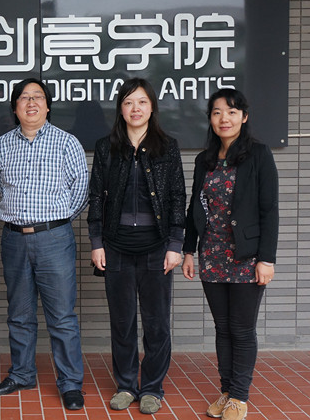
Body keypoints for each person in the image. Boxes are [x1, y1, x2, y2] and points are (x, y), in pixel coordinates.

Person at [87, 78, 185, 414]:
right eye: (128, 102)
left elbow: (177, 196)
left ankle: (152, 388)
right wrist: (97, 242)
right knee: (122, 322)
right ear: (120, 108)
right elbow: (96, 196)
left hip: (156, 247)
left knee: (156, 324)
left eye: (142, 102)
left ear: (152, 106)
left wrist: (175, 243)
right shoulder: (107, 147)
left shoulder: (167, 146)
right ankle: (127, 385)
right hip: (115, 246)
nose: (135, 108)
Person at [0, 77, 89, 410]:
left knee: (61, 316)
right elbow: (1, 185)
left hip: (54, 238)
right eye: (24, 97)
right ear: (15, 107)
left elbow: (81, 190)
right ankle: (21, 374)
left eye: (37, 97)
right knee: (19, 314)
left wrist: (53, 221)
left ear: (47, 106)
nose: (31, 102)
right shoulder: (2, 144)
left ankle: (70, 383)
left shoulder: (67, 142)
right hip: (14, 238)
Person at [181, 88, 278, 420]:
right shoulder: (204, 159)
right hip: (211, 254)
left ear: (244, 117)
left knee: (242, 328)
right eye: (217, 112)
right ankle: (226, 391)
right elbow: (195, 207)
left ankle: (239, 397)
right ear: (210, 118)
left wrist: (266, 259)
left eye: (232, 112)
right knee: (222, 328)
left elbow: (269, 210)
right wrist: (189, 250)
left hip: (246, 256)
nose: (225, 118)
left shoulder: (259, 154)